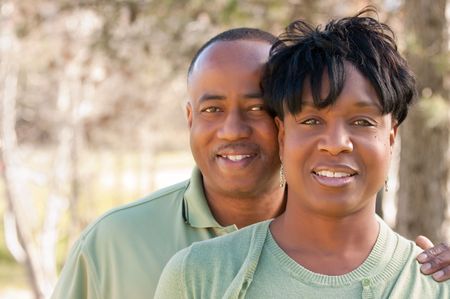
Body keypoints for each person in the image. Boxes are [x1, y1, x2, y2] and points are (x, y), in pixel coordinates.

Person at [52, 27, 450, 298]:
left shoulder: (418, 275)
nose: (232, 130)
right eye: (212, 109)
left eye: (256, 107)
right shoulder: (129, 248)